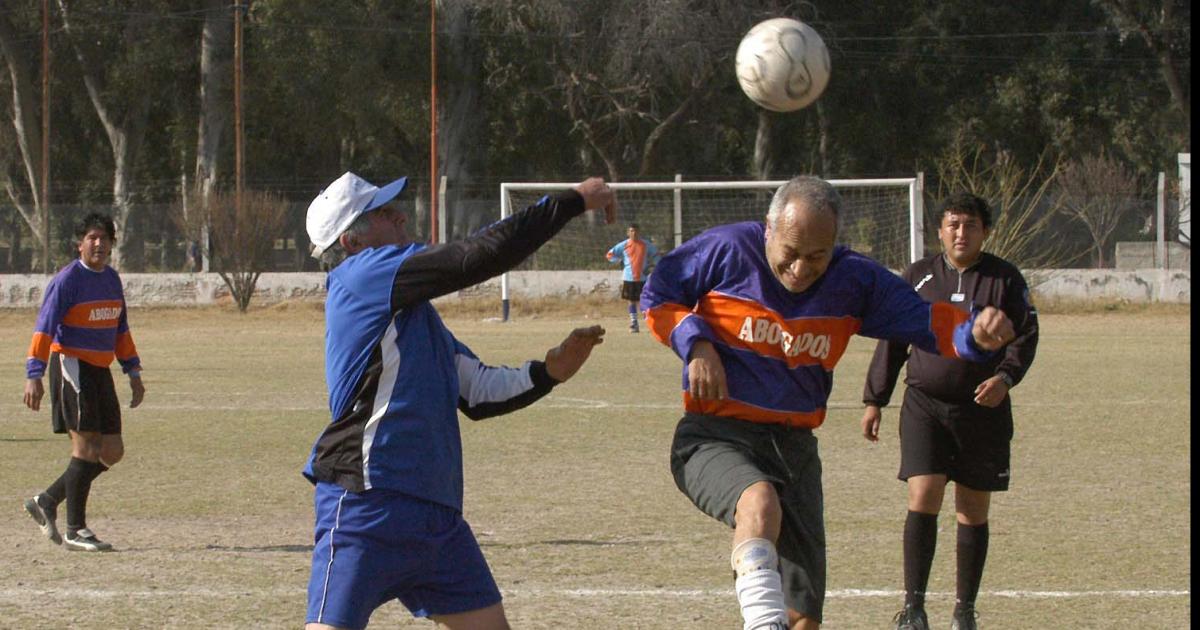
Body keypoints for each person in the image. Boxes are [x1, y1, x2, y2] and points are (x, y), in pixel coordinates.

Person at [640, 176, 1016, 630]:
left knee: (804, 618)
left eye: (816, 256)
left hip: (795, 452)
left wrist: (971, 334)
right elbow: (658, 294)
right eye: (791, 253)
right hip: (714, 437)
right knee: (758, 504)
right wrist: (696, 344)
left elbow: (924, 321)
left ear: (835, 244)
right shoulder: (727, 250)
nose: (800, 269)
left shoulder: (854, 279)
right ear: (768, 230)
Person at [302, 171, 615, 630]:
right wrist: (570, 202)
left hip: (436, 518)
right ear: (351, 242)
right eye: (386, 213)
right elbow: (477, 256)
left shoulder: (412, 315)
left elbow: (475, 391)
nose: (401, 216)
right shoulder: (359, 279)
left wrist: (548, 372)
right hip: (367, 504)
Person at [860, 192, 1039, 630]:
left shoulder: (1005, 280)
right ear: (939, 230)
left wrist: (1005, 379)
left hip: (983, 412)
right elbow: (893, 339)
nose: (961, 232)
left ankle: (964, 612)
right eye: (953, 224)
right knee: (923, 495)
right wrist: (874, 399)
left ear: (985, 231)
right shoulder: (918, 278)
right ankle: (914, 609)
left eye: (971, 225)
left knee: (972, 508)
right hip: (924, 404)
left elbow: (1025, 336)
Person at [22, 212, 145, 552]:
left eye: (104, 238)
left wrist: (133, 371)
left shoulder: (112, 280)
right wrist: (34, 373)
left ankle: (47, 499)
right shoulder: (68, 280)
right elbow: (44, 327)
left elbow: (120, 330)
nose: (98, 243)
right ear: (79, 243)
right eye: (92, 237)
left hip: (100, 369)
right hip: (71, 364)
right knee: (87, 446)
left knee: (112, 450)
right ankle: (76, 529)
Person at [605, 223, 660, 332]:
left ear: (639, 232)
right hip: (629, 278)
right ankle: (634, 323)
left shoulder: (646, 245)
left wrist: (654, 266)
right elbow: (610, 255)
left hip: (643, 278)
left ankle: (649, 323)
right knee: (631, 300)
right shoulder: (624, 245)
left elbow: (656, 256)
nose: (634, 233)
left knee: (644, 300)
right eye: (632, 231)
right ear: (628, 233)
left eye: (636, 231)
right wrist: (618, 260)